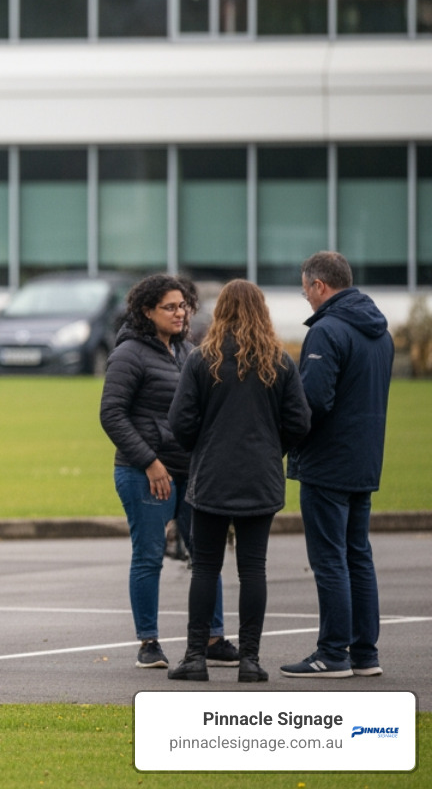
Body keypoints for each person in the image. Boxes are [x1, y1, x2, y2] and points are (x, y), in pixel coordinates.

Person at [167, 280, 310, 682]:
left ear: (222, 312)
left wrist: (203, 446)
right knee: (253, 570)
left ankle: (195, 657)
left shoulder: (202, 360)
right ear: (261, 311)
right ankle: (250, 660)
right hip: (259, 480)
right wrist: (269, 447)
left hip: (212, 476)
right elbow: (300, 422)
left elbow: (180, 422)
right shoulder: (279, 361)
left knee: (205, 568)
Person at [99, 275, 235, 671]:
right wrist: (150, 462)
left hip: (190, 472)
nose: (180, 314)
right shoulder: (129, 354)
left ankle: (213, 637)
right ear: (146, 311)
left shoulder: (188, 351)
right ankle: (149, 643)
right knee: (148, 558)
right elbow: (111, 414)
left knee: (205, 557)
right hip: (144, 473)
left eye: (183, 306)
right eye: (170, 307)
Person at [282, 251, 394, 679]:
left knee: (330, 559)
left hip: (328, 462)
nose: (306, 296)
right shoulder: (380, 333)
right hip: (364, 459)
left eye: (305, 288)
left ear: (319, 286)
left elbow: (313, 401)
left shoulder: (327, 330)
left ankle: (332, 653)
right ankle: (365, 654)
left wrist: (283, 437)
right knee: (357, 556)